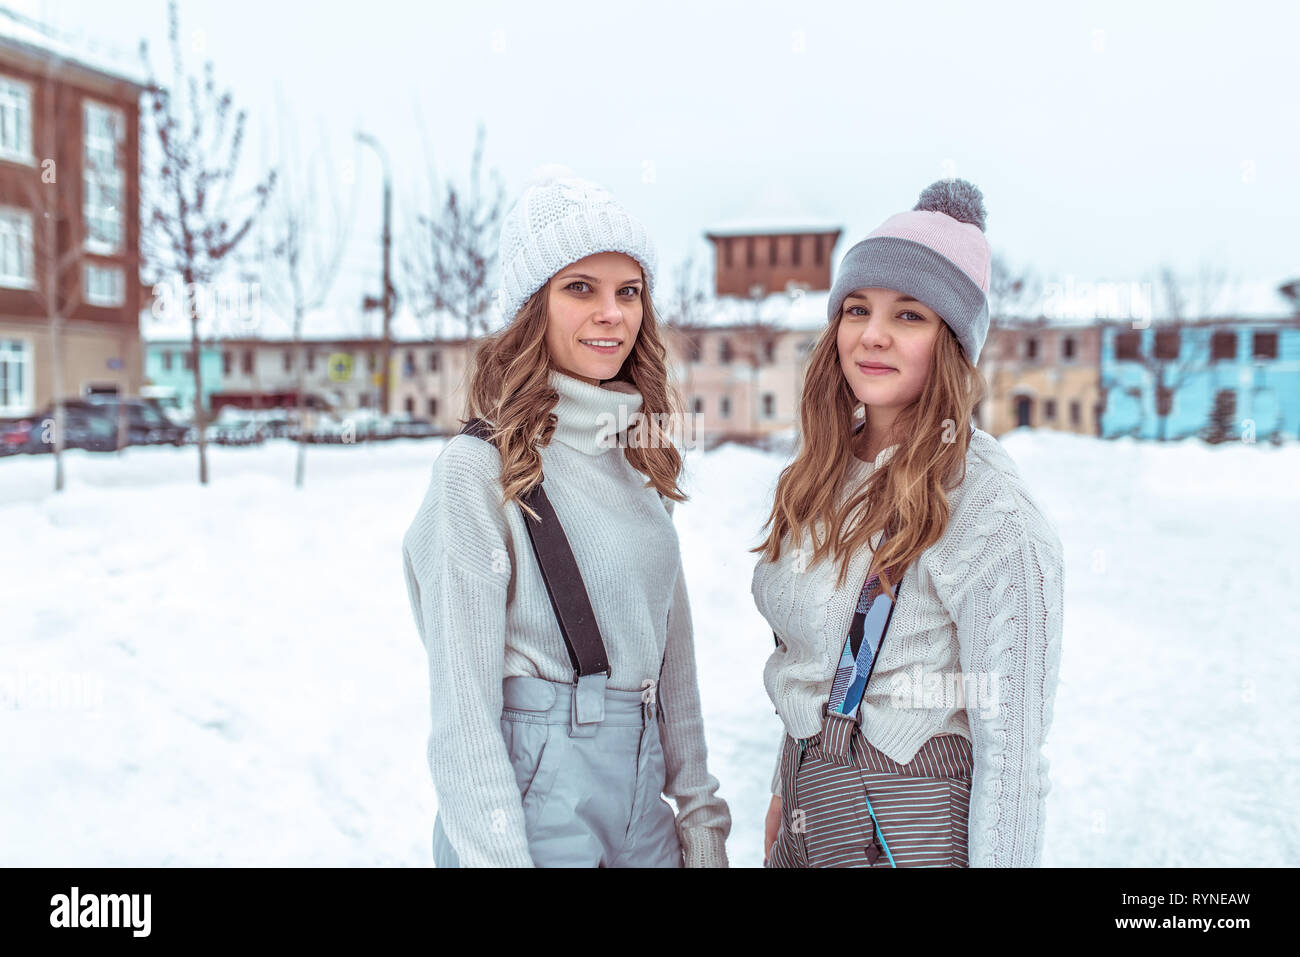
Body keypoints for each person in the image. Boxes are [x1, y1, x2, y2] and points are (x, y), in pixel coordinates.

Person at [402, 167, 730, 867]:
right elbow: (464, 716)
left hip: (643, 804)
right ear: (533, 307)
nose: (611, 312)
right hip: (535, 803)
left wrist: (701, 826)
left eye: (628, 291)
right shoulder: (476, 472)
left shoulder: (639, 463)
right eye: (580, 288)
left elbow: (675, 673)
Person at [753, 178, 1064, 867]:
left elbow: (1012, 760)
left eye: (909, 315)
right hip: (810, 811)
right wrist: (787, 786)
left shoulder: (992, 513)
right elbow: (807, 657)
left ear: (951, 340)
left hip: (908, 830)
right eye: (857, 308)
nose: (872, 334)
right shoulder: (816, 476)